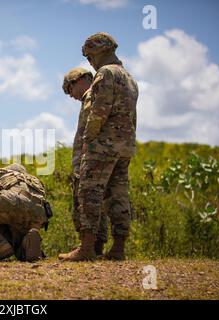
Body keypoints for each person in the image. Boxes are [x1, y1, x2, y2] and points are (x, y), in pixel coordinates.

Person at [59, 32, 138, 261]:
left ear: (99, 50)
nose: (89, 62)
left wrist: (88, 141)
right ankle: (119, 248)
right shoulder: (129, 77)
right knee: (118, 196)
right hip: (124, 146)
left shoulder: (105, 73)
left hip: (102, 145)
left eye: (89, 56)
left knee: (89, 192)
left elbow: (99, 111)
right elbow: (131, 116)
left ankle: (86, 249)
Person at [59, 67, 108, 260]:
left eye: (69, 90)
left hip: (89, 161)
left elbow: (91, 130)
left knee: (86, 202)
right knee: (99, 203)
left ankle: (87, 249)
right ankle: (96, 249)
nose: (70, 96)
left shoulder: (91, 97)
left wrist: (84, 158)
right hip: (96, 159)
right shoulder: (95, 96)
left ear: (78, 80)